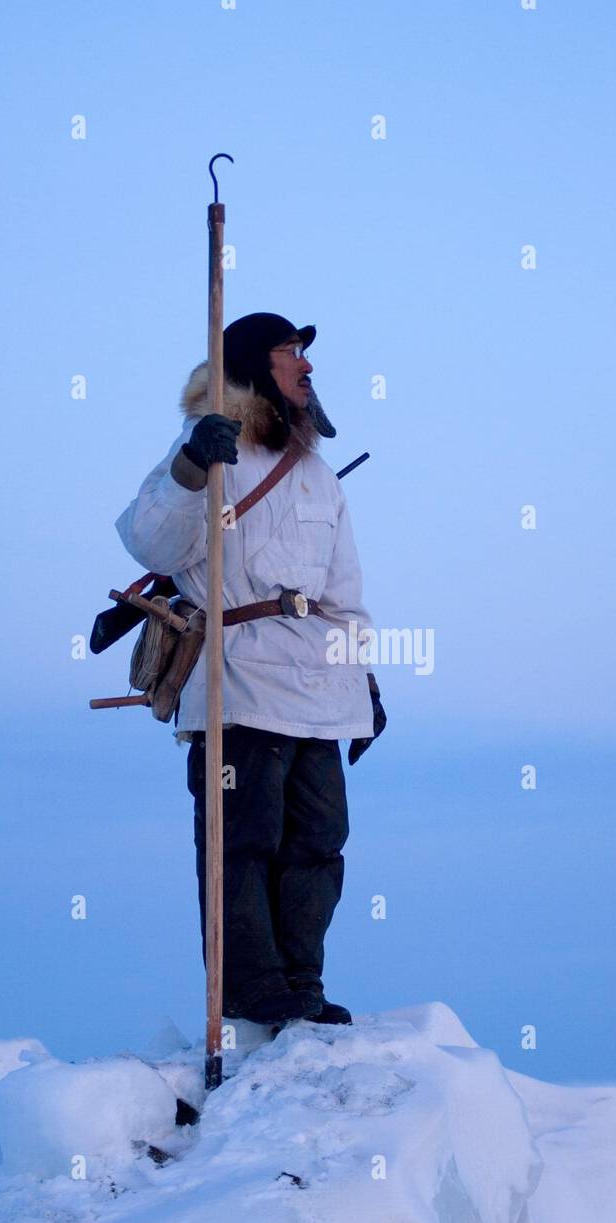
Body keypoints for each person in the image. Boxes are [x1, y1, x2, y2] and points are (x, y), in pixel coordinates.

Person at [115, 312, 386, 1027]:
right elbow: (150, 544)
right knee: (242, 845)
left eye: (302, 352)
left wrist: (364, 684)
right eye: (289, 352)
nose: (306, 365)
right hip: (236, 686)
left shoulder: (319, 477)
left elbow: (343, 594)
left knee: (317, 847)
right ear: (251, 364)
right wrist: (189, 469)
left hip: (320, 692)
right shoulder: (207, 447)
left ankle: (300, 986)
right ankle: (250, 988)